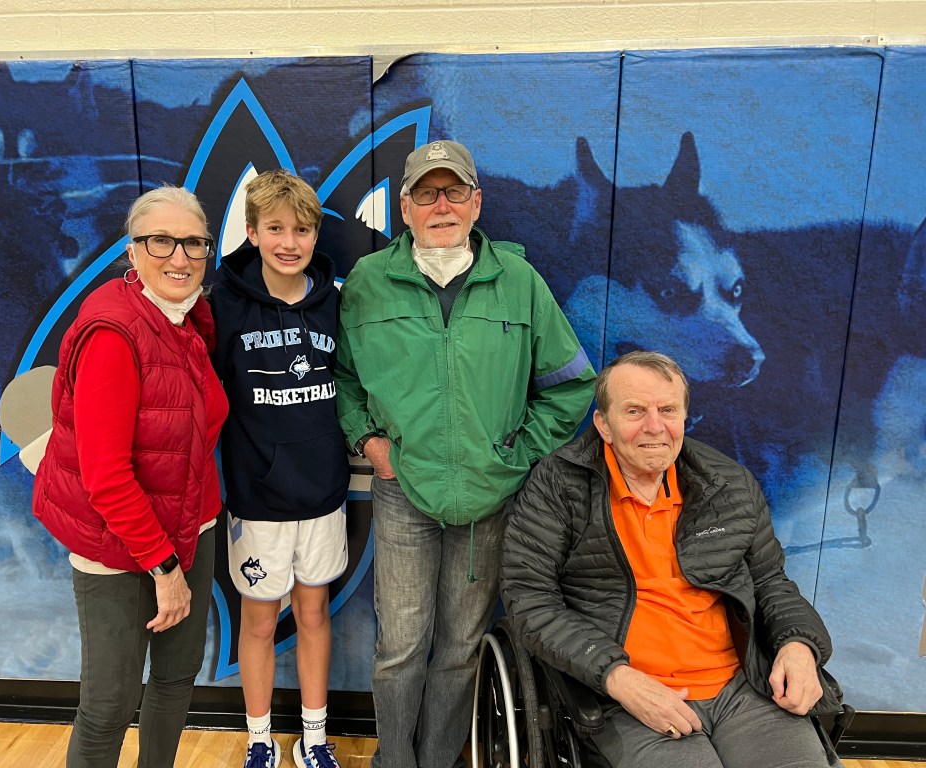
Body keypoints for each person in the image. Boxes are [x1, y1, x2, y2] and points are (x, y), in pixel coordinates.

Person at [335, 139, 596, 768]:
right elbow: (342, 378)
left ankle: (436, 759)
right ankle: (394, 762)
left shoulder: (519, 282)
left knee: (460, 646)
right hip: (403, 491)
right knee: (400, 646)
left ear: (476, 203)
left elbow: (571, 385)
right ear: (405, 208)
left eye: (454, 191)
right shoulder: (369, 282)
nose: (441, 206)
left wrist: (517, 453)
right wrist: (368, 442)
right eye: (426, 193)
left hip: (490, 496)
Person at [501, 350, 842, 768]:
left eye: (667, 410)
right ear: (603, 424)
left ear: (684, 417)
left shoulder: (728, 484)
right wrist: (617, 678)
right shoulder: (558, 486)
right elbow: (530, 597)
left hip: (743, 685)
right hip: (629, 693)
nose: (654, 426)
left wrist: (798, 644)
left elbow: (770, 580)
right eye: (634, 411)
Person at [32, 186, 228, 767]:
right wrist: (165, 570)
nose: (180, 257)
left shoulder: (188, 318)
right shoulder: (114, 334)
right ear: (133, 251)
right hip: (120, 548)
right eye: (161, 241)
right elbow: (107, 477)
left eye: (193, 243)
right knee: (109, 704)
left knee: (176, 678)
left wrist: (183, 549)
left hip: (191, 527)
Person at [210, 170, 350, 768]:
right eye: (275, 229)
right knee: (260, 622)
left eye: (301, 230)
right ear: (252, 232)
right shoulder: (223, 306)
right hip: (258, 499)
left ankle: (314, 739)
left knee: (314, 613)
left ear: (316, 235)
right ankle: (259, 738)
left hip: (322, 495)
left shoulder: (336, 303)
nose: (289, 242)